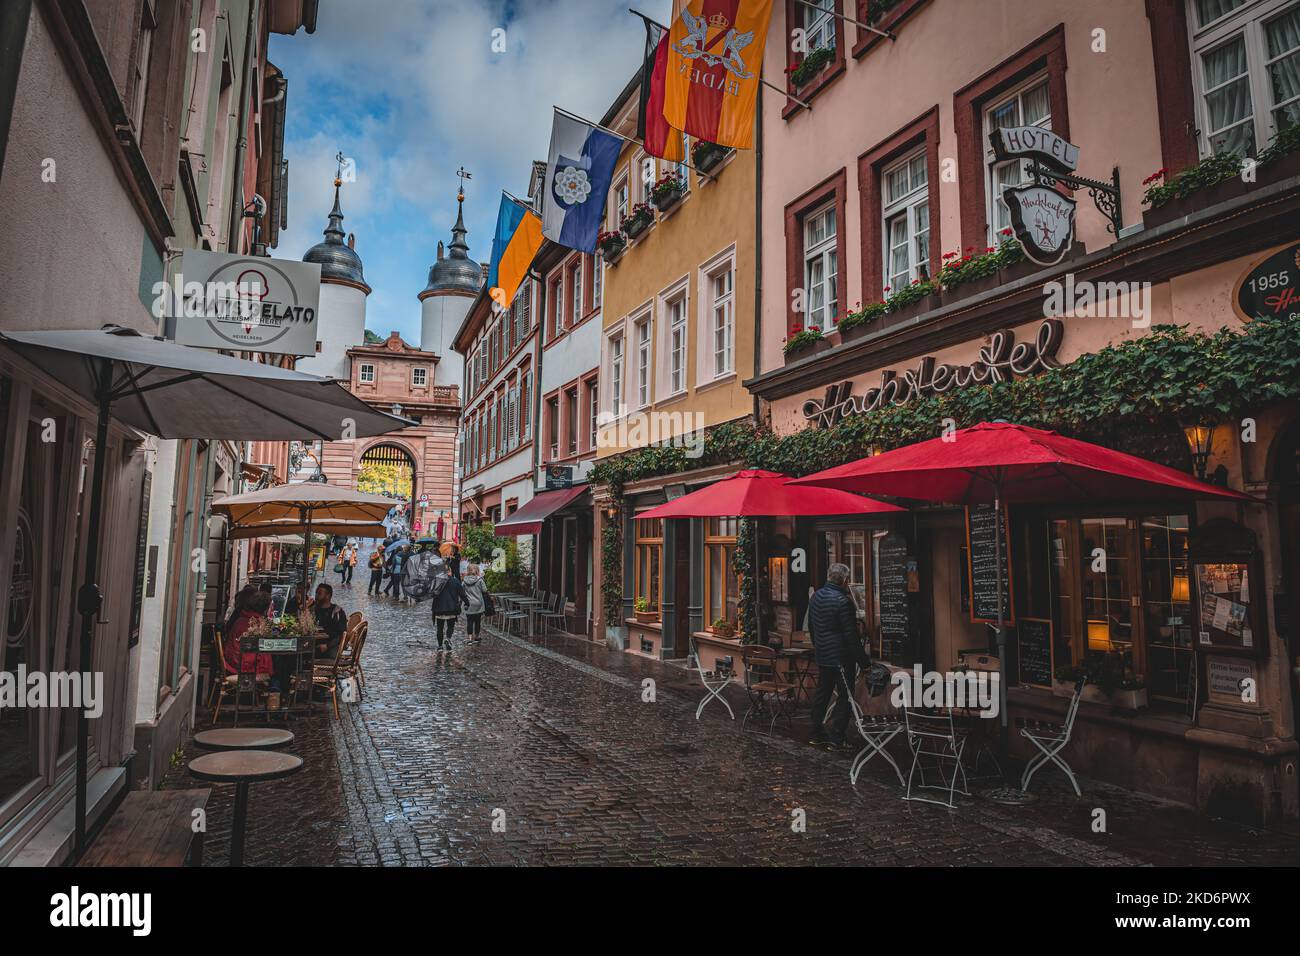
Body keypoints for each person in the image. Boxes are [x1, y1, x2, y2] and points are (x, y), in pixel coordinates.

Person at [807, 562, 872, 750]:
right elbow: (851, 636)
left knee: (823, 693)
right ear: (844, 580)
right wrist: (864, 662)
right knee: (845, 696)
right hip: (841, 657)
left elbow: (812, 627)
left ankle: (815, 733)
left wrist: (818, 646)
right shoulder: (844, 602)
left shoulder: (816, 597)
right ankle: (837, 738)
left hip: (823, 655)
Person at [224, 590, 274, 679]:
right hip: (243, 665)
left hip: (234, 660)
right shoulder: (254, 623)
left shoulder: (243, 618)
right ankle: (275, 686)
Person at [428, 561, 469, 650]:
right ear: (450, 571)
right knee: (450, 626)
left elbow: (431, 593)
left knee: (440, 628)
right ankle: (448, 638)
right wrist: (467, 603)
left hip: (439, 608)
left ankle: (440, 646)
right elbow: (462, 594)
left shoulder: (436, 581)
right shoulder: (455, 581)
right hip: (451, 608)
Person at [311, 583, 348, 658]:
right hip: (314, 644)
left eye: (319, 594)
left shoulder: (337, 612)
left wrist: (327, 646)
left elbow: (342, 634)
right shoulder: (313, 610)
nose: (316, 596)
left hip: (330, 648)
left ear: (328, 596)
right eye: (316, 593)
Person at [461, 563, 490, 645]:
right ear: (477, 570)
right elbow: (484, 590)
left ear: (468, 571)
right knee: (477, 621)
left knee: (469, 621)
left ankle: (470, 638)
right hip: (478, 604)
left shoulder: (464, 581)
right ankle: (476, 637)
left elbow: (461, 591)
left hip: (469, 604)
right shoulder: (480, 580)